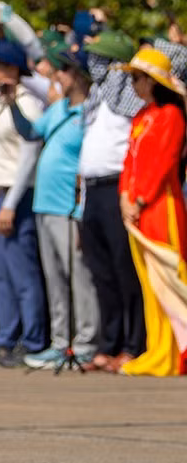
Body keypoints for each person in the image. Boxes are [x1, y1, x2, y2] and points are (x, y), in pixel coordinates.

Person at [15, 44, 96, 369]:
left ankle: (86, 341)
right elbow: (31, 132)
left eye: (62, 70)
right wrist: (11, 104)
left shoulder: (90, 112)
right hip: (44, 204)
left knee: (79, 277)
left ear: (76, 75)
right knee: (54, 277)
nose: (57, 76)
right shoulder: (59, 108)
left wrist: (80, 207)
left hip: (68, 205)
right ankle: (60, 342)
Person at [116, 47, 187, 377]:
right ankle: (157, 350)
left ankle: (174, 355)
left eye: (137, 78)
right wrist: (125, 198)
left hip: (162, 208)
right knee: (149, 284)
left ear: (153, 81)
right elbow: (129, 162)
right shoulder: (141, 117)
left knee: (170, 280)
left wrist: (140, 199)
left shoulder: (171, 116)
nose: (133, 84)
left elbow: (163, 163)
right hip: (138, 210)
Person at [0, 39, 46, 367]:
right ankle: (6, 337)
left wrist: (10, 204)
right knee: (0, 275)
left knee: (22, 272)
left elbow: (28, 157)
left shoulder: (27, 104)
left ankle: (31, 339)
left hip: (13, 195)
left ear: (11, 69)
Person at [78, 30, 142, 371]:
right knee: (101, 271)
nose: (95, 65)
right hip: (93, 189)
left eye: (102, 59)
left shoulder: (129, 94)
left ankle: (133, 345)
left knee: (124, 269)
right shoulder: (96, 95)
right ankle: (109, 343)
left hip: (119, 187)